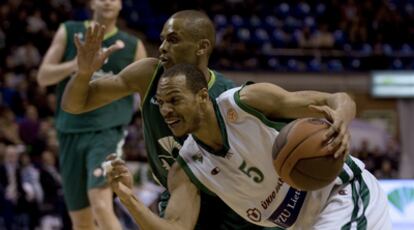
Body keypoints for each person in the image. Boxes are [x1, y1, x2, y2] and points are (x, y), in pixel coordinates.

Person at [62, 10, 277, 230]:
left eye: (173, 40)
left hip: (234, 205)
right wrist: (83, 73)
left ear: (202, 47)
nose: (163, 47)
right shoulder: (148, 75)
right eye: (162, 39)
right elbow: (75, 104)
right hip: (179, 194)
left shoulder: (228, 97)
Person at [106, 63, 391, 229]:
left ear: (203, 96)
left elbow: (337, 99)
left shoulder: (245, 104)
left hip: (344, 194)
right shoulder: (187, 168)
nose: (166, 110)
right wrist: (127, 197)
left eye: (175, 100)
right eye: (162, 102)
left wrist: (342, 117)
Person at [36, 0, 147, 229]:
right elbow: (43, 77)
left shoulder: (132, 45)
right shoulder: (69, 31)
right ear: (91, 2)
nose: (107, 1)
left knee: (102, 206)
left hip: (106, 132)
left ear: (121, 5)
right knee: (81, 222)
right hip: (69, 131)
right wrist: (79, 65)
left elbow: (149, 92)